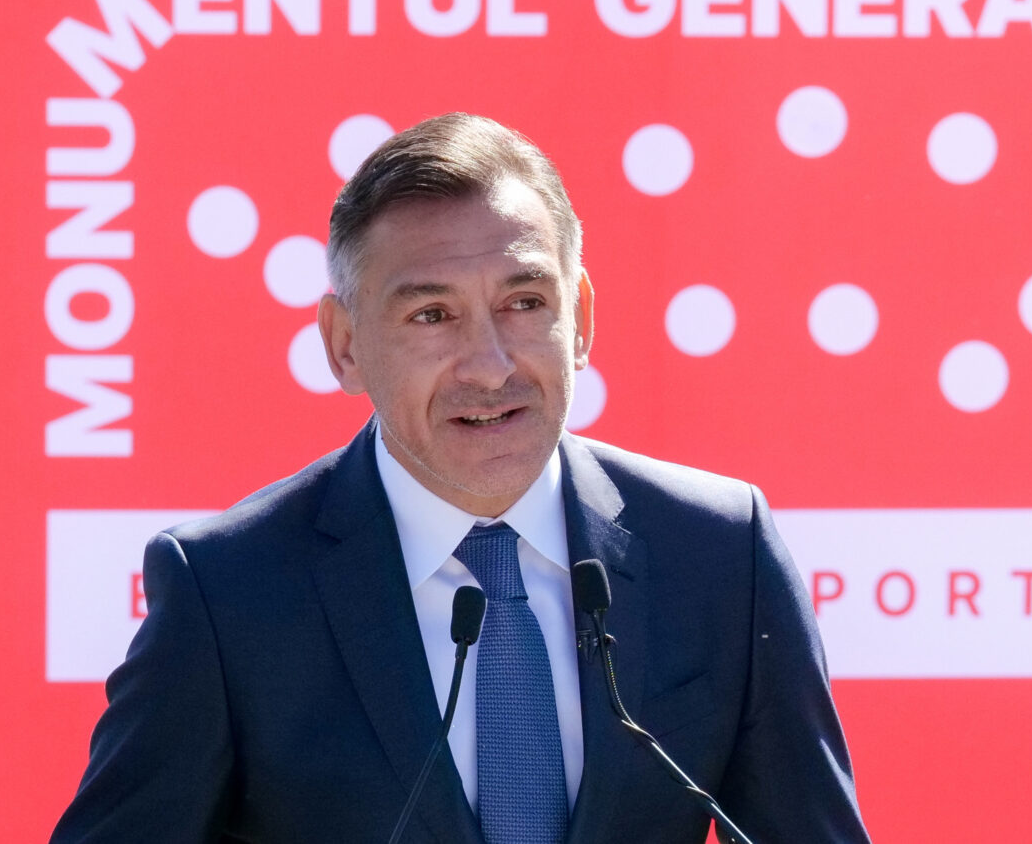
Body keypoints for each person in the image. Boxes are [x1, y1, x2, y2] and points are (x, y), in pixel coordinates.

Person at [52, 113, 871, 844]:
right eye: (432, 315)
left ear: (581, 317)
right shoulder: (227, 592)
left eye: (525, 302)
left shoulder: (722, 552)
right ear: (344, 344)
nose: (490, 365)